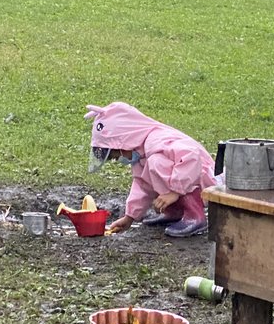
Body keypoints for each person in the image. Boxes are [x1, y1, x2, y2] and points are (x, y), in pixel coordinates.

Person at [86, 102, 216, 238]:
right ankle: (175, 212)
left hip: (204, 179)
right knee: (153, 167)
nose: (119, 160)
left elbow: (191, 157)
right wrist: (129, 217)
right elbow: (142, 185)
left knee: (157, 164)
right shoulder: (140, 154)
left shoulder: (157, 141)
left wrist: (174, 192)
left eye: (117, 155)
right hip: (187, 182)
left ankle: (194, 216)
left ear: (125, 141)